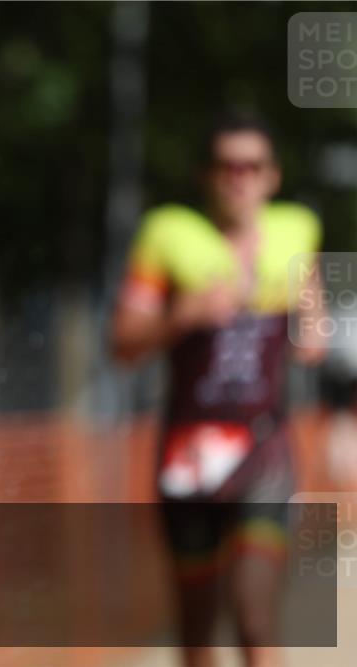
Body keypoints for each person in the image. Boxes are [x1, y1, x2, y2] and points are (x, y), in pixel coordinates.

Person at [111, 112, 327, 667]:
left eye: (252, 166)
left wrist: (309, 325)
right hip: (187, 454)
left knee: (254, 614)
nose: (240, 177)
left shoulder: (296, 231)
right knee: (197, 629)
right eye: (227, 165)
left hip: (264, 449)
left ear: (271, 176)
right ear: (207, 175)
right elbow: (123, 343)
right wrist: (182, 316)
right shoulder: (168, 235)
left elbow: (314, 331)